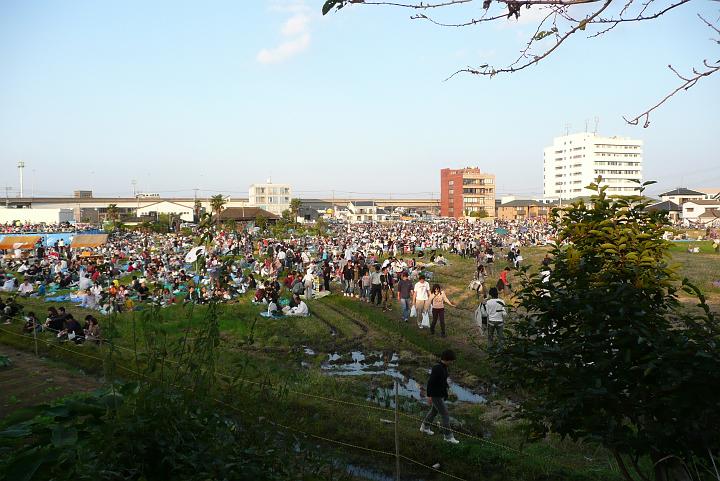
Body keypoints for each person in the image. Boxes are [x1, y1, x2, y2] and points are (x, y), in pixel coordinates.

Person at [420, 349, 459, 444]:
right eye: (452, 360)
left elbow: (442, 381)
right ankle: (448, 437)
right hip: (435, 395)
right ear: (447, 359)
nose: (452, 362)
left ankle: (424, 427)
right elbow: (430, 383)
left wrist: (447, 387)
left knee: (434, 411)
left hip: (440, 395)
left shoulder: (444, 367)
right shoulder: (437, 368)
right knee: (445, 415)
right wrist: (429, 396)